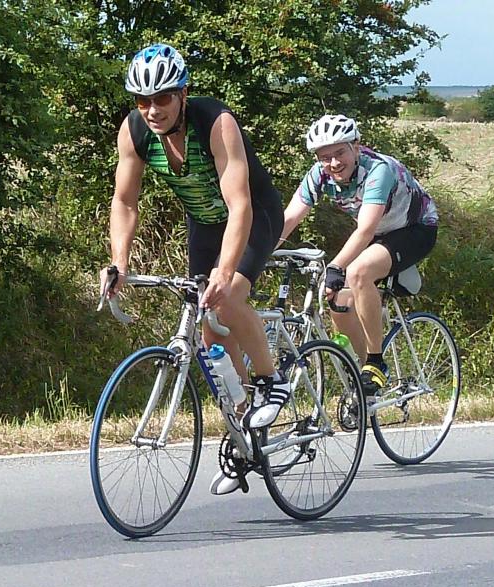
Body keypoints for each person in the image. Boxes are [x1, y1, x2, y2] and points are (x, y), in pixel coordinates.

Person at [99, 44, 290, 495]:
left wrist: (226, 271)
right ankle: (244, 437)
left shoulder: (216, 123)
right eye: (142, 100)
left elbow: (239, 205)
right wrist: (119, 262)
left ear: (183, 94)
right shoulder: (134, 132)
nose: (152, 109)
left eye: (163, 98)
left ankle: (272, 380)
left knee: (227, 297)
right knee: (211, 339)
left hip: (253, 216)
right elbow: (125, 201)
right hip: (204, 223)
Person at [279, 114, 438, 397]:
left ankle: (376, 362)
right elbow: (290, 218)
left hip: (415, 228)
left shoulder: (378, 170)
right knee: (337, 298)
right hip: (379, 231)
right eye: (324, 157)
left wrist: (336, 266)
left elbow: (365, 230)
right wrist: (258, 253)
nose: (333, 163)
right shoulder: (319, 174)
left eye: (340, 153)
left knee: (358, 272)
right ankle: (364, 374)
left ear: (356, 145)